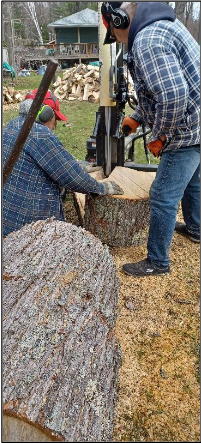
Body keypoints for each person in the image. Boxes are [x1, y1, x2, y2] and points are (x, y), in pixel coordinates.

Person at [101, 1, 200, 277]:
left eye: (114, 34)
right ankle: (195, 229)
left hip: (185, 129)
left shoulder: (146, 40)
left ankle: (157, 261)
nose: (118, 41)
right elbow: (152, 90)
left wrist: (160, 135)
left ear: (119, 21)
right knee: (194, 181)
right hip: (198, 124)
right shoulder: (161, 24)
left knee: (162, 196)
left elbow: (172, 97)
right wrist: (137, 116)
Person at [3, 90, 123, 237]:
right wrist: (100, 187)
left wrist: (75, 164)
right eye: (56, 120)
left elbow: (52, 160)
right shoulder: (39, 134)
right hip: (32, 227)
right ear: (46, 113)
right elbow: (71, 177)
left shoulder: (12, 126)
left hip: (9, 217)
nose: (55, 126)